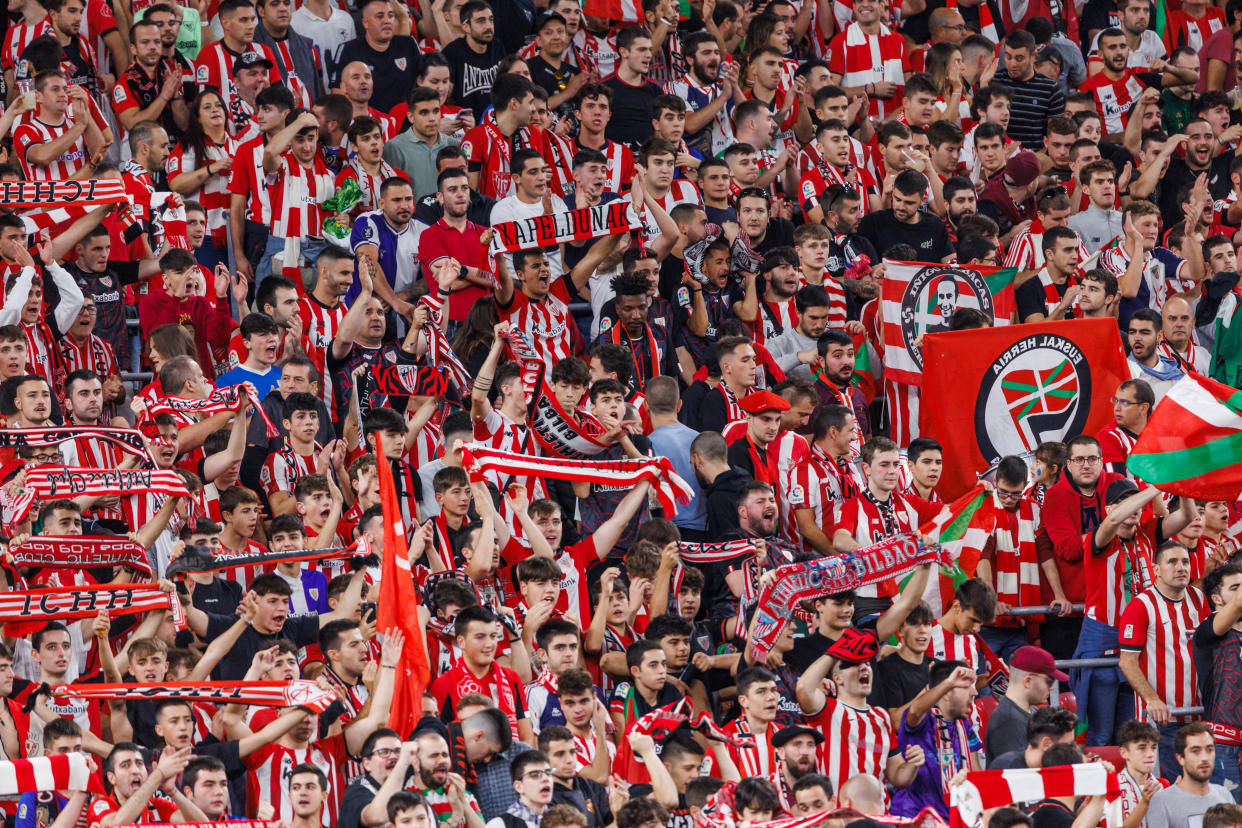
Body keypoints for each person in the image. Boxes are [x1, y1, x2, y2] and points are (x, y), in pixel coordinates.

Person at [1146, 725, 1234, 828]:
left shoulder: (1224, 795)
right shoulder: (1162, 803)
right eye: (1196, 751)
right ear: (1180, 758)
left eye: (1209, 749)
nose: (1204, 758)